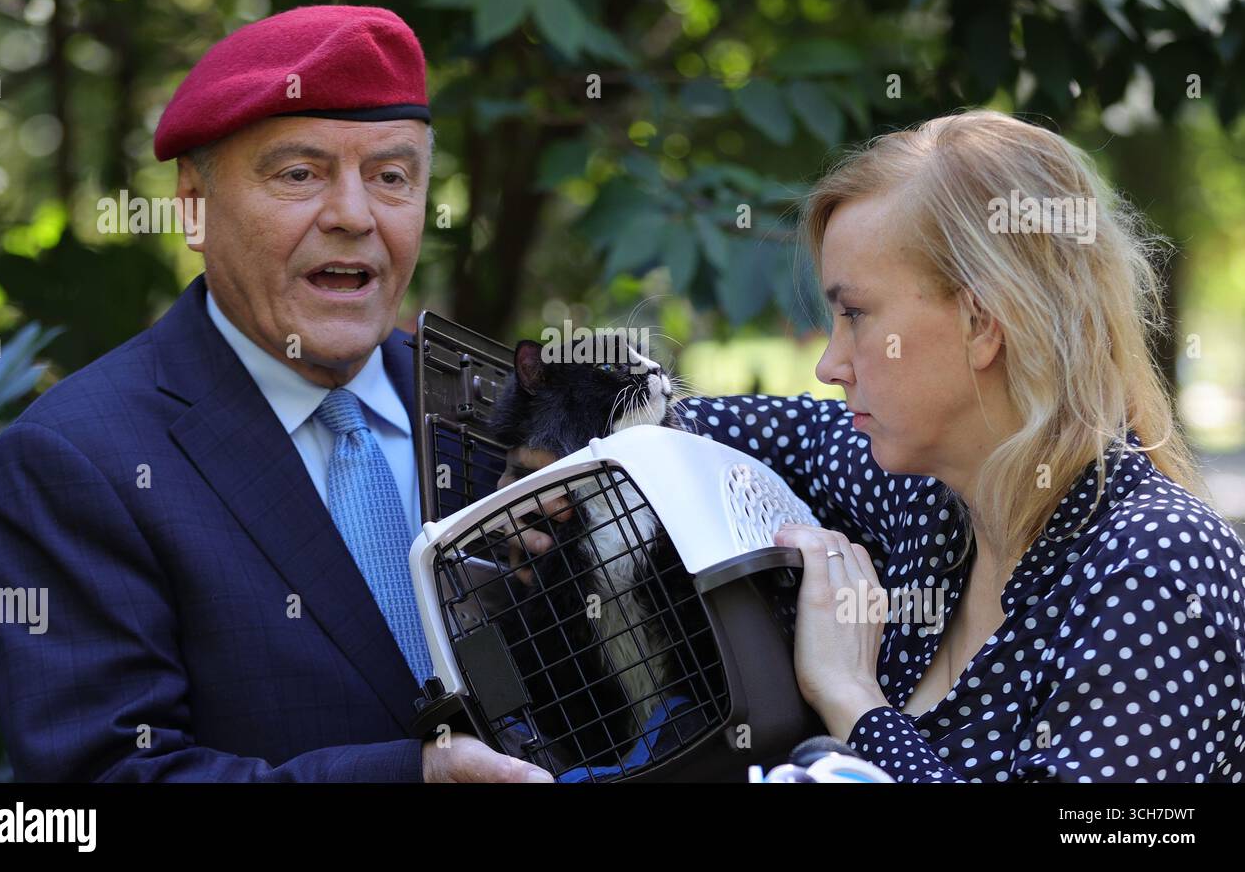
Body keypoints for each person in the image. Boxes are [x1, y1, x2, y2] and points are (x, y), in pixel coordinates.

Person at [504, 110, 1245, 782]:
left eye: (856, 314)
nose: (831, 365)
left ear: (984, 324)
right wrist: (559, 460)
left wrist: (855, 703)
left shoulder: (1161, 563)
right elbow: (734, 427)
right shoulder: (929, 499)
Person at [0, 5, 552, 783]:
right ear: (192, 207)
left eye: (391, 176)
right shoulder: (77, 462)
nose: (353, 215)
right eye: (299, 173)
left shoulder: (502, 413)